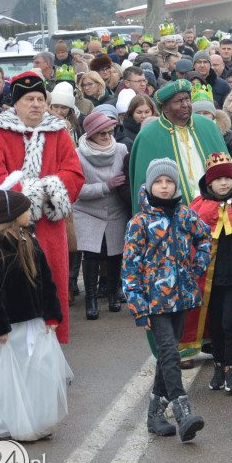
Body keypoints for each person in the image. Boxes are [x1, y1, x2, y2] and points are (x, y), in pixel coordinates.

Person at [0, 71, 85, 354]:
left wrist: (50, 188)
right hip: (7, 222)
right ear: (16, 103)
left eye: (41, 99)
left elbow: (74, 173)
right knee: (2, 283)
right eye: (29, 99)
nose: (36, 104)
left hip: (49, 226)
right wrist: (29, 197)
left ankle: (47, 351)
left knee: (48, 283)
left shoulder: (59, 131)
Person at [0, 188, 72, 442]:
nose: (30, 213)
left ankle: (39, 421)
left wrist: (51, 315)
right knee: (9, 379)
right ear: (14, 215)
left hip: (35, 324)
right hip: (9, 329)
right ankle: (11, 425)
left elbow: (46, 281)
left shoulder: (29, 242)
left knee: (38, 372)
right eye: (26, 210)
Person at [122, 158, 210, 442]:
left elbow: (204, 238)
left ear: (176, 186)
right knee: (170, 353)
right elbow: (130, 268)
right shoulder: (140, 222)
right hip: (155, 301)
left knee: (167, 355)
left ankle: (154, 415)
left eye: (169, 182)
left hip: (182, 298)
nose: (163, 186)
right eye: (158, 182)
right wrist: (138, 306)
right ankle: (182, 412)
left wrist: (197, 270)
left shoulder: (185, 215)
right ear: (149, 185)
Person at [189, 153, 232, 395]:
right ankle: (218, 365)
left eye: (228, 178)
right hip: (209, 279)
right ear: (209, 182)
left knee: (230, 321)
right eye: (218, 179)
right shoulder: (199, 207)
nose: (224, 183)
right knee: (214, 324)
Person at [129, 78, 229, 203]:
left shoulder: (208, 126)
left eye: (187, 99)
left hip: (213, 208)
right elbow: (142, 186)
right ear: (164, 107)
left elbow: (225, 170)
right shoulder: (148, 136)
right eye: (179, 101)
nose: (185, 105)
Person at [73, 112, 129, 320]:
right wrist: (105, 187)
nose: (107, 136)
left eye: (110, 132)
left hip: (115, 211)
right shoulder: (77, 155)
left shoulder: (121, 149)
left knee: (115, 254)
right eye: (102, 133)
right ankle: (91, 298)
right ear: (90, 135)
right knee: (92, 256)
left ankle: (114, 293)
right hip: (87, 212)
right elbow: (76, 191)